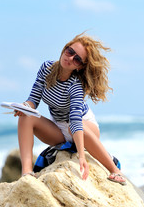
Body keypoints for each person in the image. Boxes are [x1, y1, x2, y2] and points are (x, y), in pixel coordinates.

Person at [14, 32, 126, 185]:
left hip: (84, 127)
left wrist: (81, 157)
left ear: (80, 67)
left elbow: (75, 121)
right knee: (26, 116)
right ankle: (26, 172)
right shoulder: (46, 68)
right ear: (64, 49)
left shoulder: (75, 85)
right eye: (70, 51)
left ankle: (115, 170)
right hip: (60, 128)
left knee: (74, 126)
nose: (71, 58)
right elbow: (33, 99)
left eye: (78, 59)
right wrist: (24, 107)